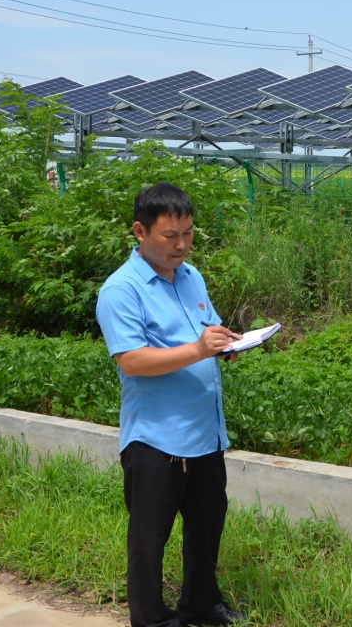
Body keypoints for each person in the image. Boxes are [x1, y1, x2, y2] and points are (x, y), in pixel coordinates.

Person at [96, 182, 246, 627]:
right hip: (157, 442)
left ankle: (201, 605)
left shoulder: (191, 276)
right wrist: (200, 349)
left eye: (188, 233)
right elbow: (133, 360)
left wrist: (225, 343)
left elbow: (207, 329)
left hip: (203, 434)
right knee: (149, 539)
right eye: (169, 236)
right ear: (140, 232)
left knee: (206, 529)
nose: (181, 245)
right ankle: (151, 619)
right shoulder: (120, 291)